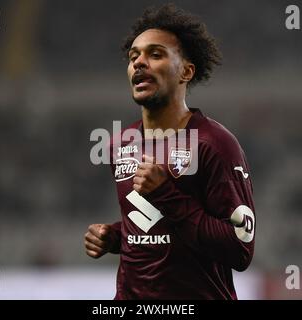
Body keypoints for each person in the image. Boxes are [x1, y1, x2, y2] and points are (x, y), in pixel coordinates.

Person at [85, 4, 256, 300]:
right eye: (133, 56)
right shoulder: (119, 144)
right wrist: (115, 236)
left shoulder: (214, 143)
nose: (139, 63)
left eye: (155, 54)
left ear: (186, 72)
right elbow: (154, 227)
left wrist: (165, 193)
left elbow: (240, 250)